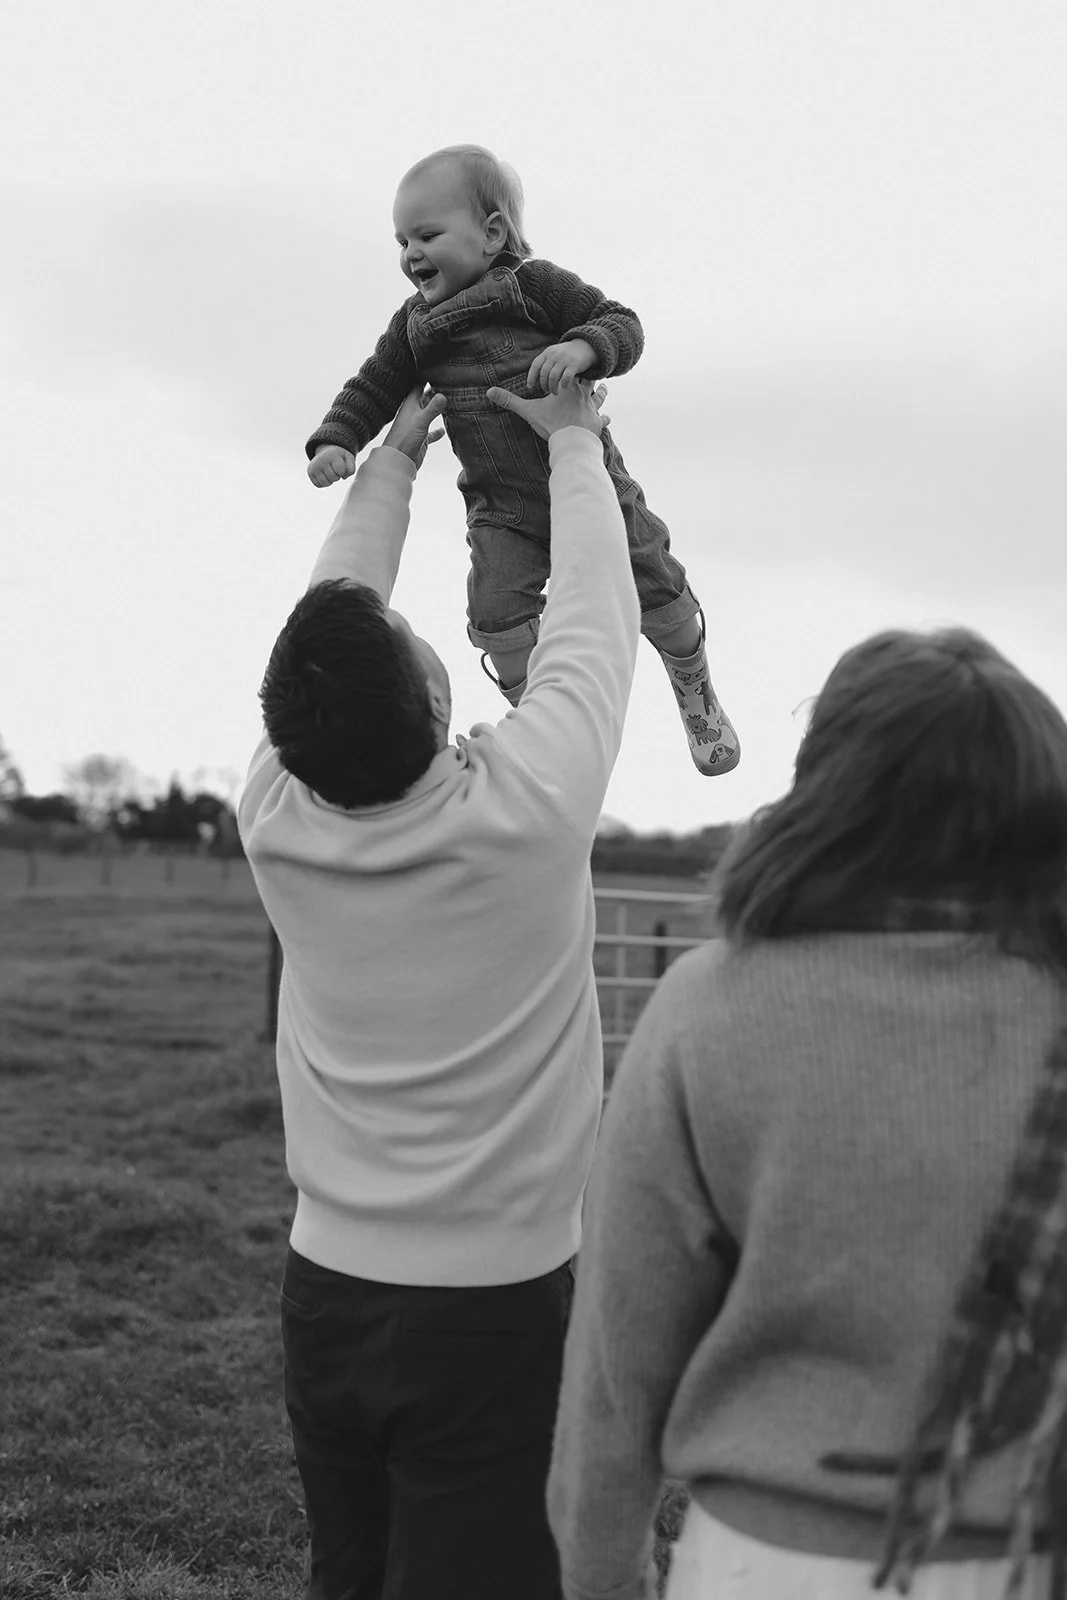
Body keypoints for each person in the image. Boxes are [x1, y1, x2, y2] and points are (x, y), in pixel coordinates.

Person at [545, 626, 1067, 1600]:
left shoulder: (709, 1005)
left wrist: (601, 1574)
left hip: (761, 1565)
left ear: (826, 789)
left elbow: (618, 1366)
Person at [238, 376, 641, 1600]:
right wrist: (573, 436)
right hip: (495, 1311)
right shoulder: (528, 814)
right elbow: (592, 613)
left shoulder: (273, 813)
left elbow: (329, 617)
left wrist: (391, 462)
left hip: (327, 1292)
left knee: (348, 1578)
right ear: (431, 701)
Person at [304, 142, 740, 779]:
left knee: (662, 599)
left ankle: (693, 683)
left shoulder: (533, 286)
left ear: (491, 233)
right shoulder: (414, 327)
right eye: (401, 241)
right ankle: (546, 731)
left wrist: (588, 349)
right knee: (497, 621)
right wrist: (336, 438)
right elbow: (373, 385)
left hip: (589, 486)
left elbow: (621, 323)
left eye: (426, 234)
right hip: (500, 508)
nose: (410, 254)